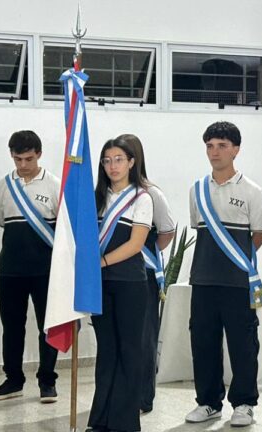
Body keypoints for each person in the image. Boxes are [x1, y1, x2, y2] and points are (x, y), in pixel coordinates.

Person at [185, 121, 262, 427]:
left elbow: (259, 234)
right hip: (203, 280)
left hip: (238, 282)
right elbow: (199, 230)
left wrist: (238, 263)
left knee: (243, 344)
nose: (214, 152)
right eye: (209, 145)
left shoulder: (252, 191)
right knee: (203, 342)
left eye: (221, 145)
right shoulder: (197, 191)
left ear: (236, 149)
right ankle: (208, 402)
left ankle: (244, 403)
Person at [0, 131, 60, 403]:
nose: (23, 165)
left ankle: (47, 381)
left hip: (45, 270)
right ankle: (13, 379)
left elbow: (62, 229)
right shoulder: (4, 185)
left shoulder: (54, 184)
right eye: (17, 159)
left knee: (47, 327)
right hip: (10, 270)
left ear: (39, 154)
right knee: (12, 327)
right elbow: (5, 224)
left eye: (28, 159)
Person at [87, 137, 153, 432]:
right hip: (100, 285)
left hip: (129, 284)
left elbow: (136, 244)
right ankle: (100, 420)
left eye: (118, 159)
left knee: (129, 351)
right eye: (106, 160)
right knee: (107, 352)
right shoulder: (95, 197)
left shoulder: (142, 197)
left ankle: (125, 423)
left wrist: (99, 263)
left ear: (131, 162)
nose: (112, 166)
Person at [116, 134, 176, 414]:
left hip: (144, 273)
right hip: (116, 273)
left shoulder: (151, 193)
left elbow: (166, 231)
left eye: (123, 157)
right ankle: (119, 392)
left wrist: (144, 252)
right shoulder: (110, 192)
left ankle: (142, 398)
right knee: (118, 338)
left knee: (143, 338)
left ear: (134, 160)